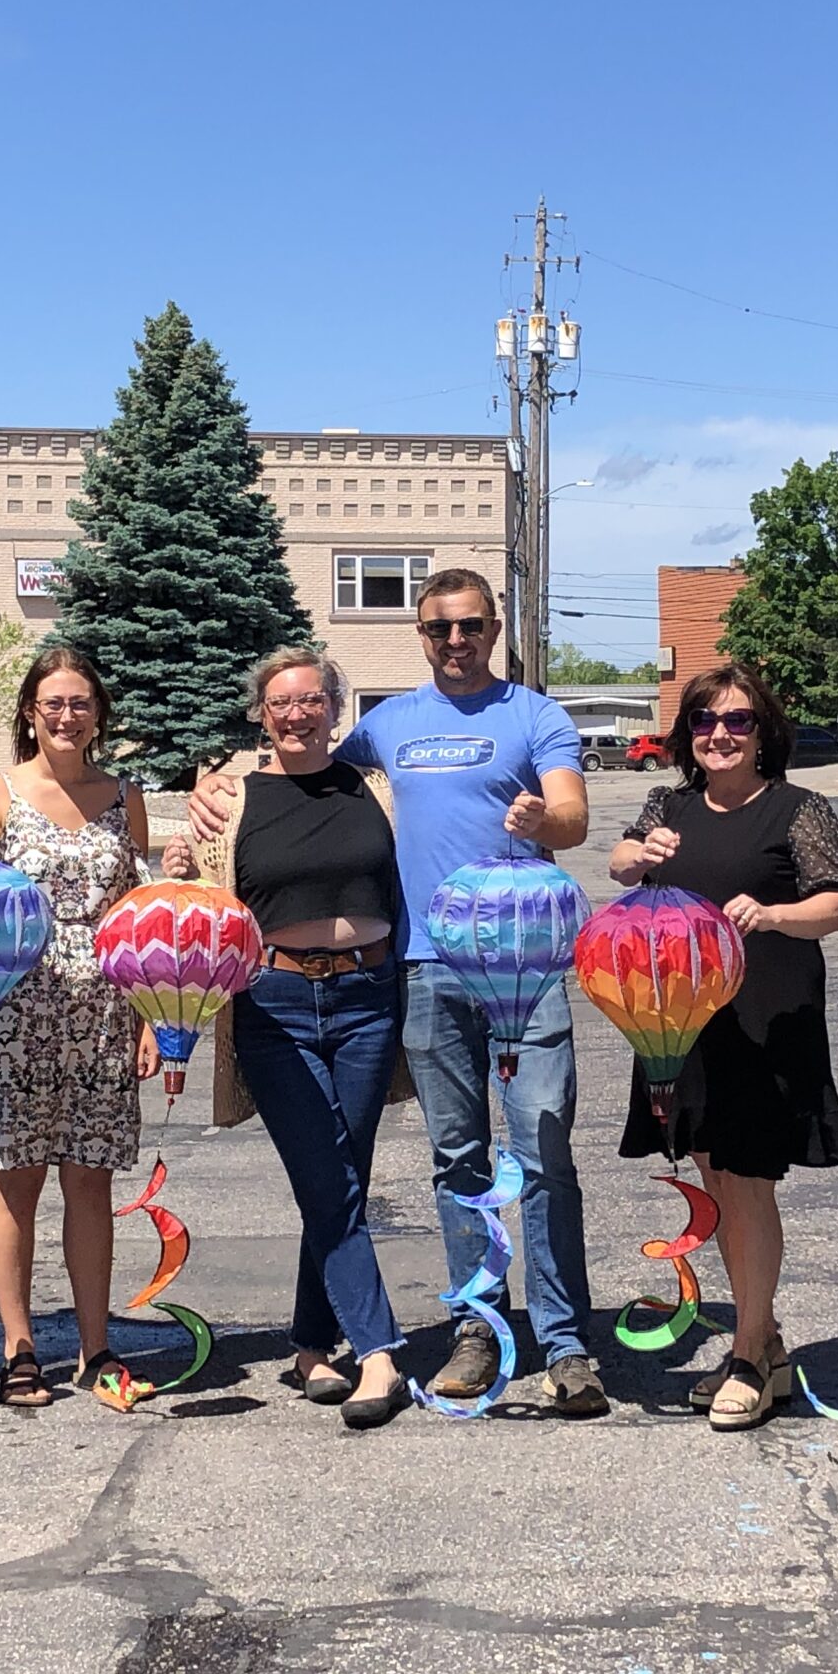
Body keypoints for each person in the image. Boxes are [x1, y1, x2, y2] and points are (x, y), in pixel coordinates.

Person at [188, 568, 605, 1416]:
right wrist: (213, 788)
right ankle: (477, 1329)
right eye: (438, 629)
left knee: (544, 1153)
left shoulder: (535, 715)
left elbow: (574, 815)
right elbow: (295, 767)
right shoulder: (387, 727)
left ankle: (565, 1344)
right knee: (457, 1160)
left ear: (495, 628)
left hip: (524, 969)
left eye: (470, 626)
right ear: (421, 635)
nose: (456, 641)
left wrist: (541, 822)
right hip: (421, 970)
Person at [607, 662, 838, 1430]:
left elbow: (836, 908)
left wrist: (777, 914)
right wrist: (637, 856)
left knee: (748, 1181)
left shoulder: (797, 808)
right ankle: (768, 1344)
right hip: (681, 1018)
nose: (719, 734)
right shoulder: (670, 803)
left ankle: (750, 1354)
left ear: (764, 733)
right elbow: (622, 862)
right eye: (703, 722)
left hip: (766, 1013)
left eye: (737, 721)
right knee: (716, 1175)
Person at [163, 651, 415, 1429]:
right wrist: (177, 858)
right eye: (281, 702)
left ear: (337, 706)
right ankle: (377, 1352)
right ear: (261, 715)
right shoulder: (231, 801)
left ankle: (311, 1345)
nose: (297, 713)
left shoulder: (376, 786)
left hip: (370, 998)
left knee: (339, 1177)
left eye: (312, 699)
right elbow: (198, 908)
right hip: (272, 1006)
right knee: (328, 1175)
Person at [0, 645, 160, 1407]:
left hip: (103, 1013)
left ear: (98, 712)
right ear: (30, 713)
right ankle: (19, 1345)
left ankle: (97, 1345)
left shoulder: (121, 797)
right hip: (15, 1014)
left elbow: (134, 919)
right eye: (52, 703)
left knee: (90, 1181)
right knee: (15, 1182)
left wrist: (147, 1020)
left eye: (79, 703)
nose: (66, 716)